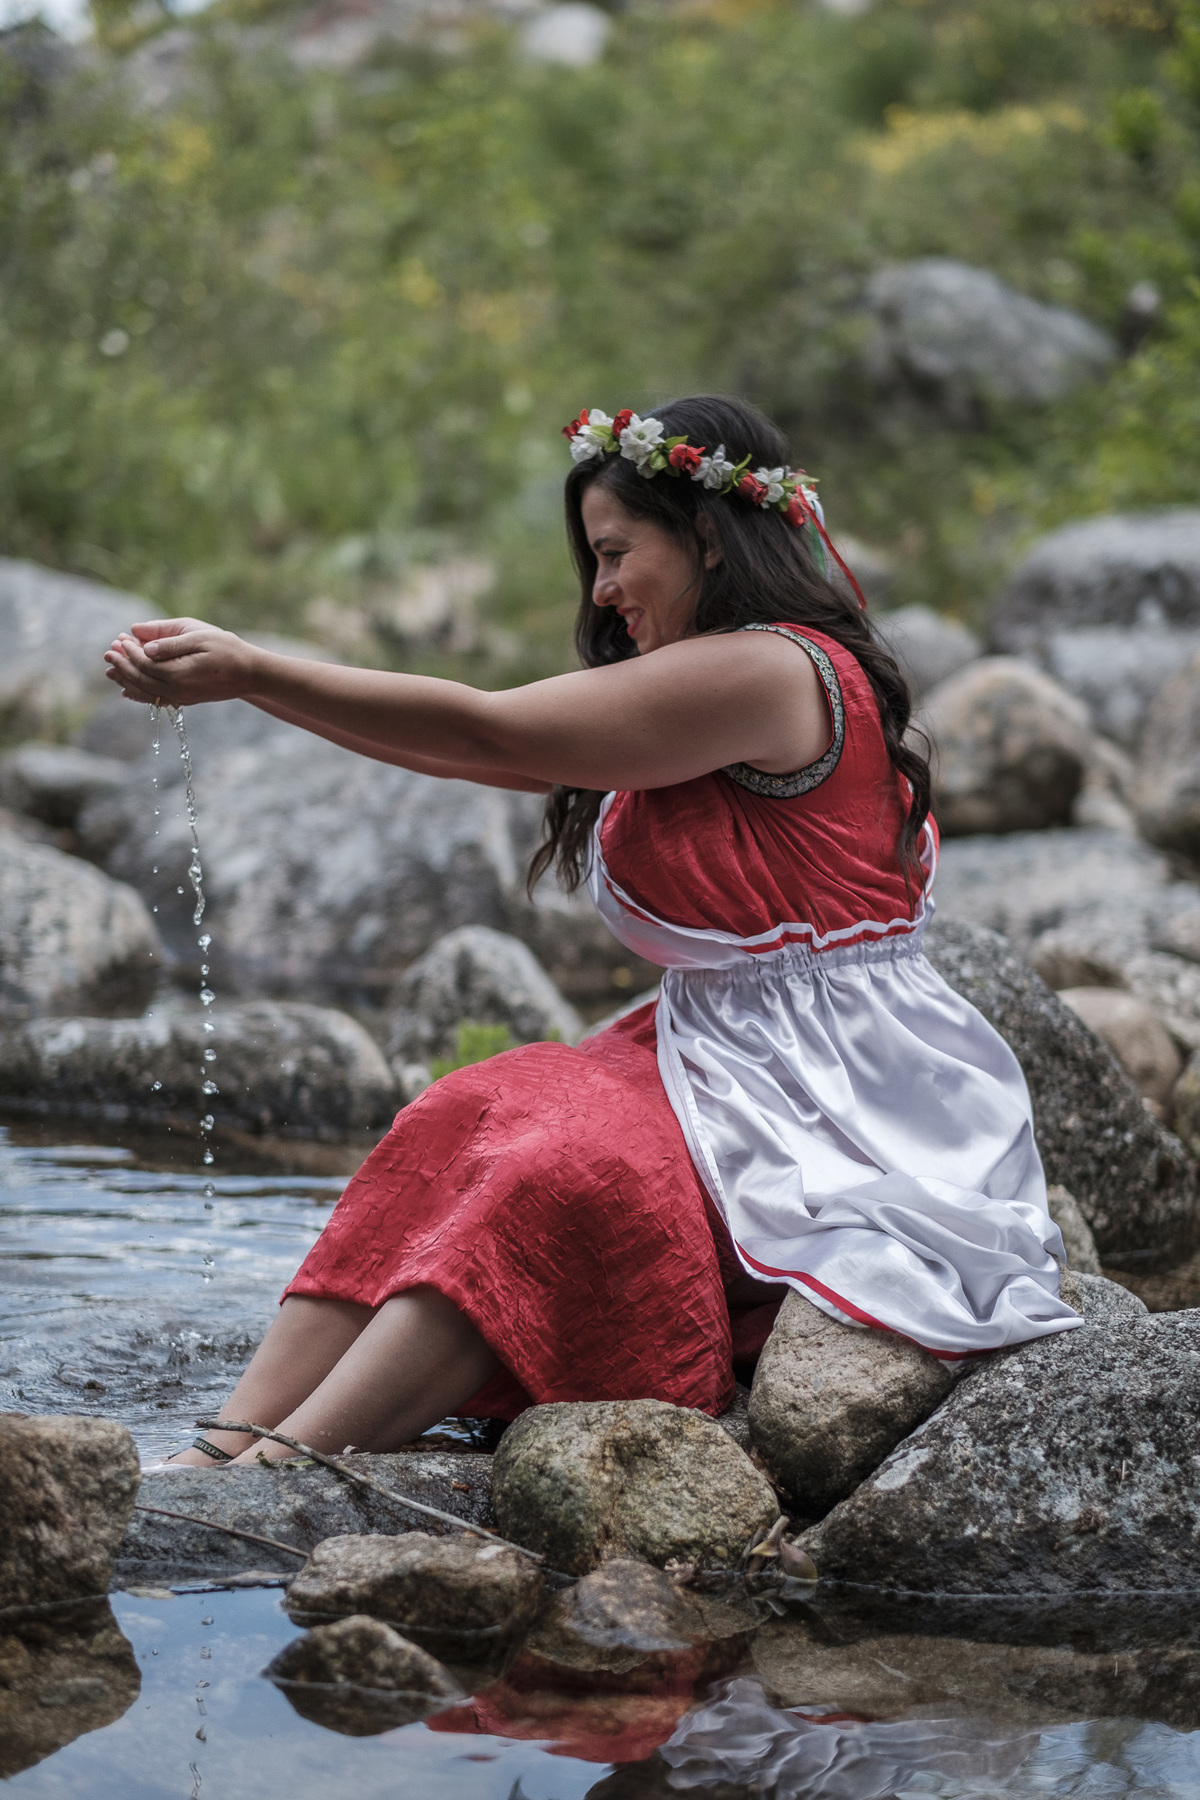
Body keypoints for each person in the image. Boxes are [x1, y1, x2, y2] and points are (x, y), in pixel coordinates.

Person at [104, 394, 1080, 1469]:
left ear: (708, 535)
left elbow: (491, 727)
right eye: (594, 562)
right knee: (470, 1106)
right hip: (725, 1049)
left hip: (841, 1094)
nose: (605, 593)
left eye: (616, 553)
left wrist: (258, 674)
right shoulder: (719, 675)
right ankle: (219, 1450)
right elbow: (494, 752)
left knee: (560, 1174)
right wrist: (260, 686)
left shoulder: (772, 669)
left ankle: (286, 1473)